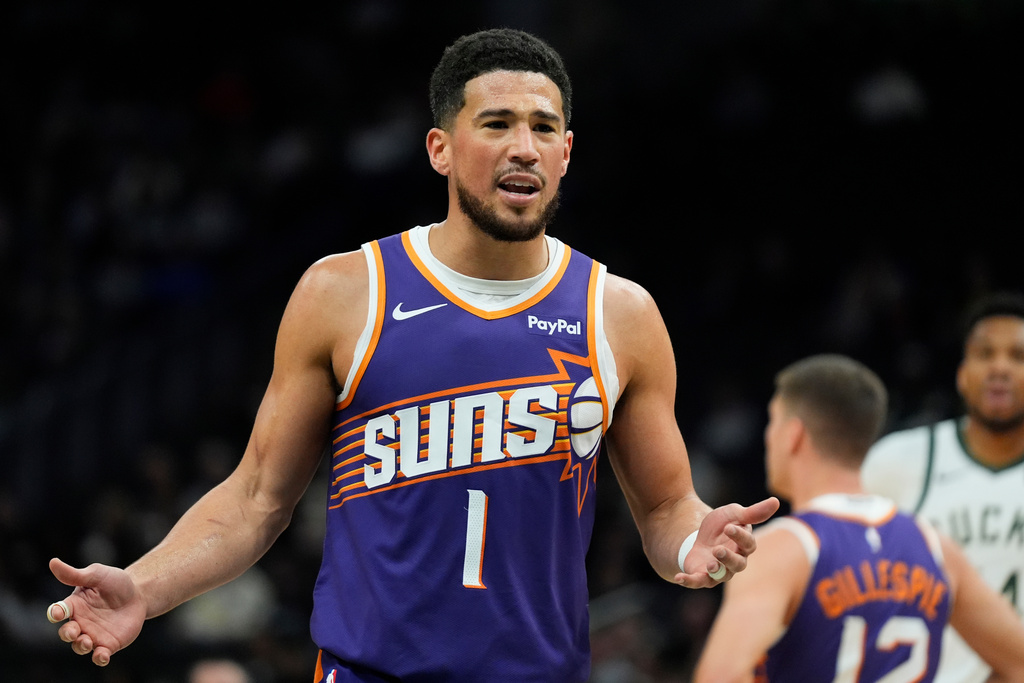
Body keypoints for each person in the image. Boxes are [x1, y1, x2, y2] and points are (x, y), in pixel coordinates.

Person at [44, 28, 779, 682]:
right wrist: (145, 585)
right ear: (440, 148)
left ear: (565, 153)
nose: (523, 145)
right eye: (496, 123)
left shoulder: (621, 313)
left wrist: (692, 538)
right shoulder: (344, 291)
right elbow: (257, 497)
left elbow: (664, 508)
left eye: (542, 127)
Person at [693, 354, 1024, 683]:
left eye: (773, 421)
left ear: (794, 434)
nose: (768, 437)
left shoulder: (784, 548)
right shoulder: (938, 548)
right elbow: (1018, 665)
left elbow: (719, 676)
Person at [861, 290, 1024, 683]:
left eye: (1018, 356)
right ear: (962, 376)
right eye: (985, 354)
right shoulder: (896, 462)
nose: (999, 368)